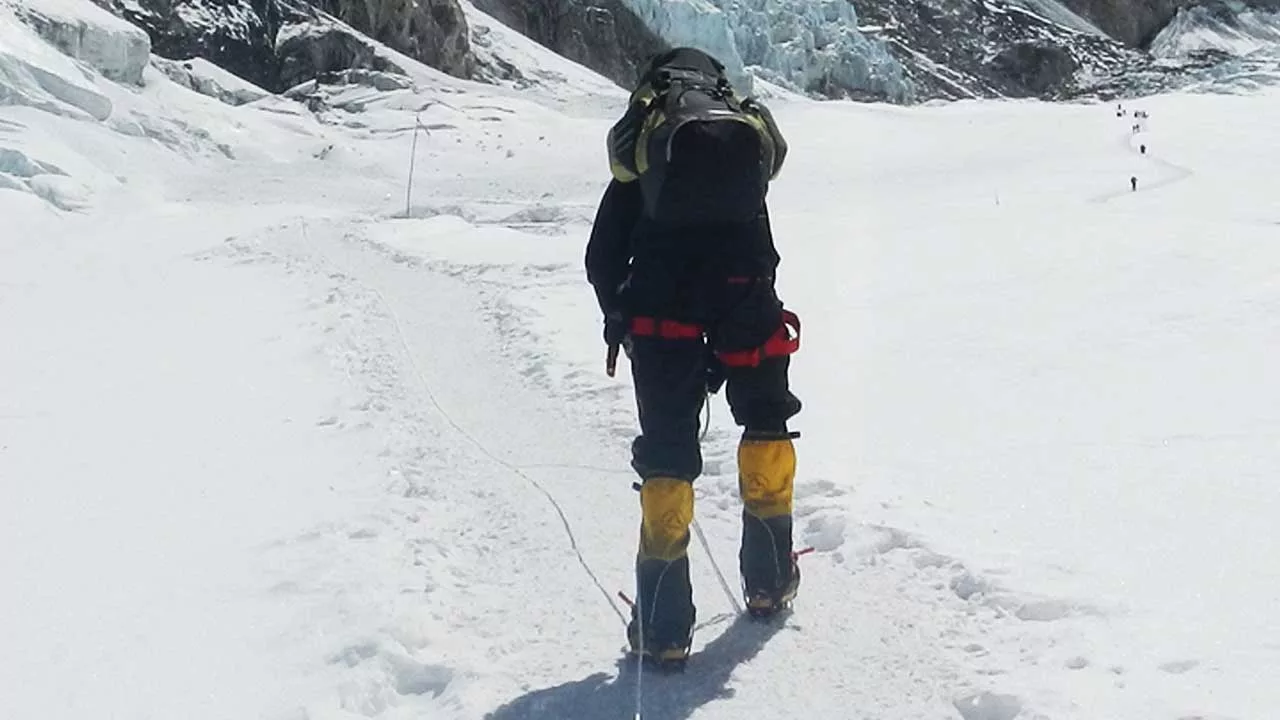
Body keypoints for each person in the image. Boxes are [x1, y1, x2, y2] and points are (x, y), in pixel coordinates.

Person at [585, 47, 803, 667]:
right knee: (765, 422)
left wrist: (621, 319)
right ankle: (767, 582)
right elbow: (760, 239)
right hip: (747, 299)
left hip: (662, 312)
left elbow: (602, 258)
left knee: (669, 452)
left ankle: (663, 626)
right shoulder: (742, 147)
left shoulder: (645, 155)